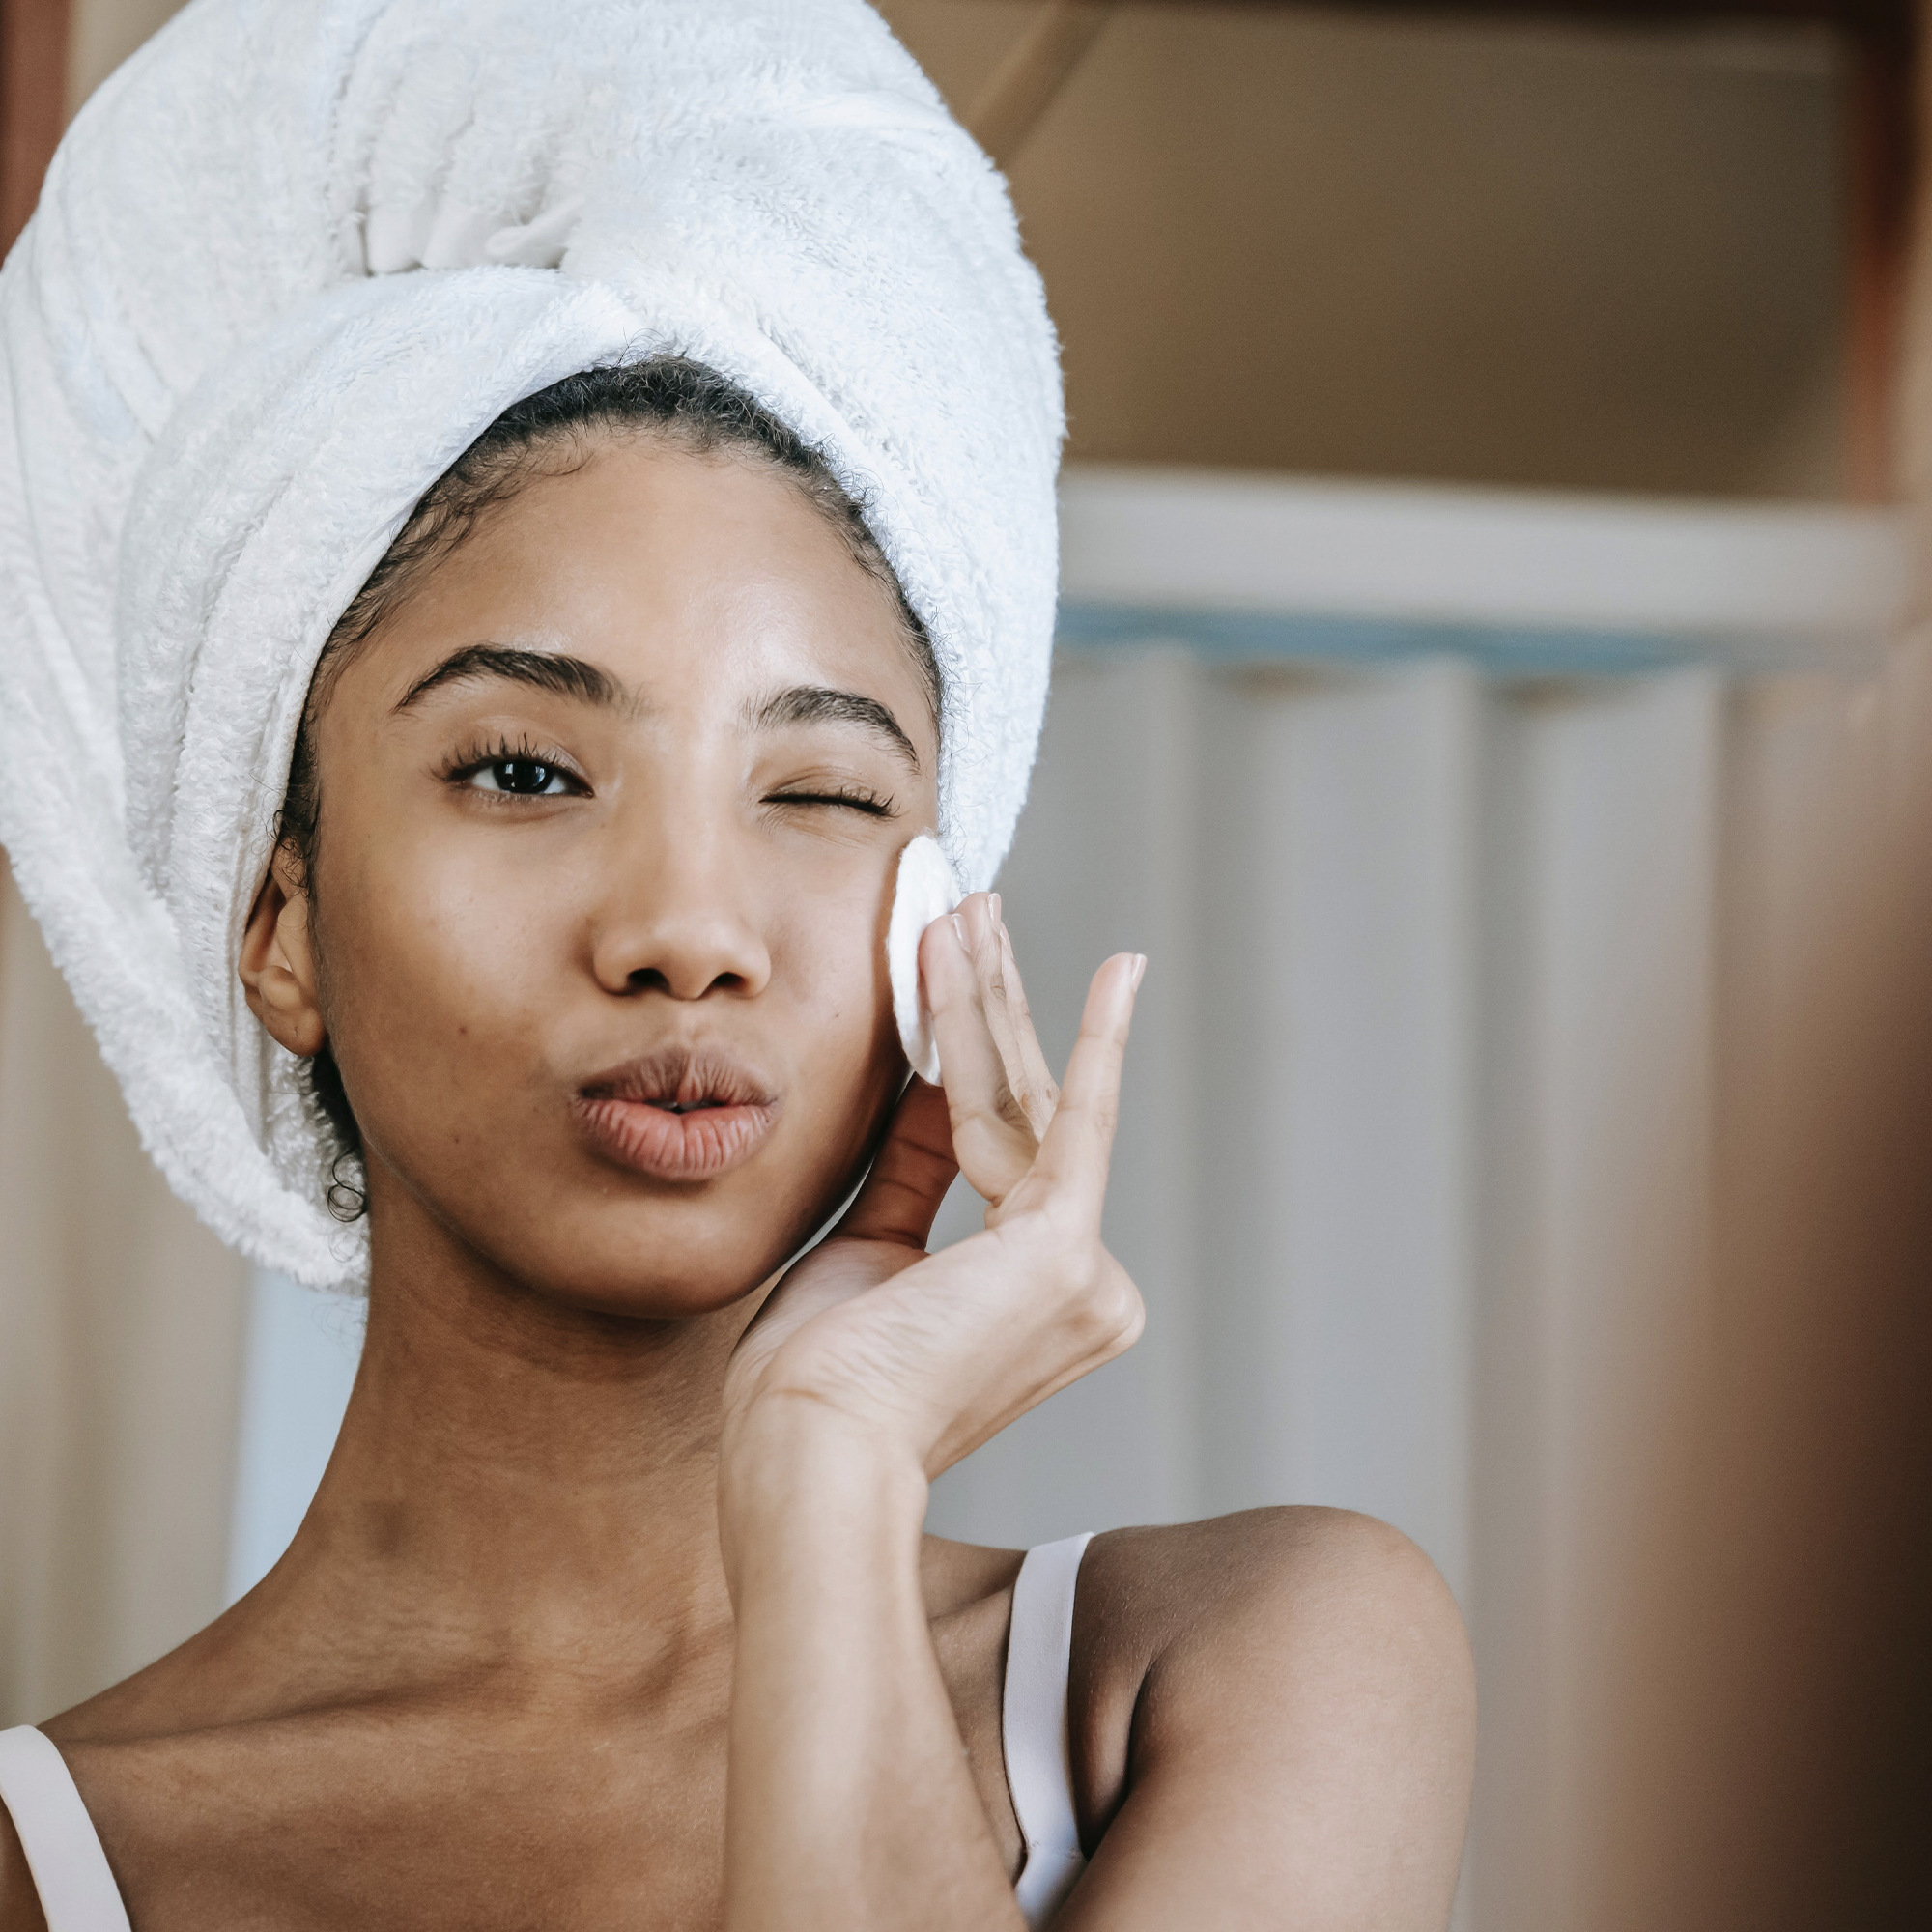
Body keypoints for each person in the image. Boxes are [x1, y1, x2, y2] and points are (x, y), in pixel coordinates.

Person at [0, 6, 1473, 1928]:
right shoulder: (54, 1863)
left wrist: (833, 1477)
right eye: (524, 769)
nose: (688, 929)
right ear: (279, 924)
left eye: (816, 786)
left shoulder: (1247, 1668)